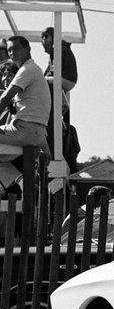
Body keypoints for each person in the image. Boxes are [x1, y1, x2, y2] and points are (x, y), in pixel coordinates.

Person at [0, 36, 51, 191]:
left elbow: (5, 98)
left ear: (28, 49)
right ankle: (22, 182)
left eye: (15, 48)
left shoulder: (27, 69)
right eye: (9, 50)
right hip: (35, 134)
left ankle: (4, 189)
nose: (12, 52)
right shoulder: (34, 70)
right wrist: (47, 151)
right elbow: (36, 120)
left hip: (24, 131)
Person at [41, 27, 80, 172]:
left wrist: (43, 77)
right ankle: (60, 110)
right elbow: (49, 70)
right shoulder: (57, 50)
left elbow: (53, 70)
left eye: (45, 37)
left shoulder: (58, 49)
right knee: (46, 81)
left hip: (67, 79)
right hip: (66, 80)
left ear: (51, 37)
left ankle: (58, 109)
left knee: (44, 82)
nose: (43, 41)